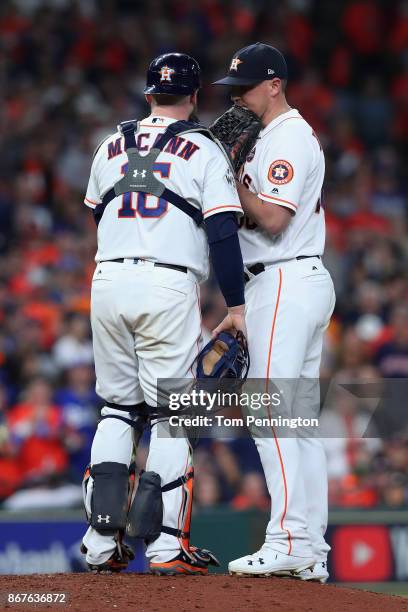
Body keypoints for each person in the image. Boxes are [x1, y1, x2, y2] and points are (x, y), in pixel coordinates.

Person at [81, 52, 246, 574]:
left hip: (107, 279)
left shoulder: (110, 144)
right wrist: (236, 307)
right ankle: (167, 546)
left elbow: (97, 213)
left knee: (117, 409)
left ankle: (101, 543)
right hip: (167, 281)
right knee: (174, 414)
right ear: (194, 96)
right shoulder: (202, 148)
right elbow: (222, 232)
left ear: (148, 93)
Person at [213, 42, 336, 581]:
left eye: (244, 86)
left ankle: (288, 538)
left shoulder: (288, 137)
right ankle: (310, 546)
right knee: (297, 423)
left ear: (275, 84)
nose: (235, 97)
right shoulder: (268, 136)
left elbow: (272, 218)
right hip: (289, 280)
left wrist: (232, 180)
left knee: (269, 411)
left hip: (284, 276)